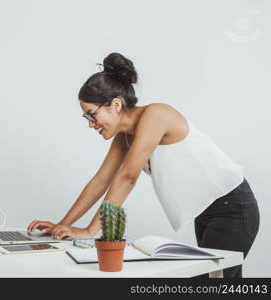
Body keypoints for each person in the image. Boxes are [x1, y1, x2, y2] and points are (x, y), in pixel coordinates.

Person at [27, 52, 260, 278]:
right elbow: (100, 180)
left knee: (211, 280)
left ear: (116, 105)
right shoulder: (124, 136)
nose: (91, 124)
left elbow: (127, 177)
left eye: (91, 115)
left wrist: (89, 231)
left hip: (233, 209)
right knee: (220, 281)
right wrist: (61, 226)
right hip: (207, 212)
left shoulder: (156, 115)